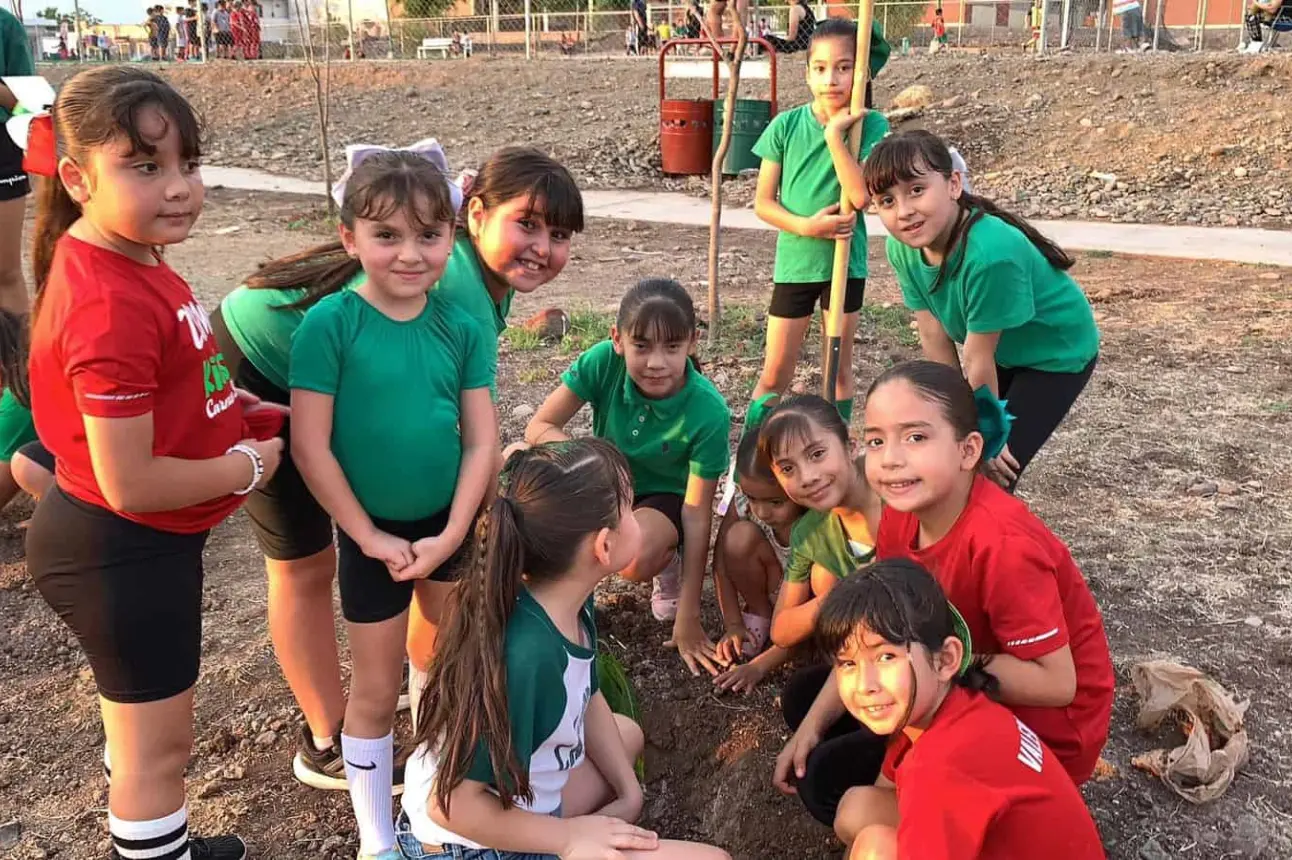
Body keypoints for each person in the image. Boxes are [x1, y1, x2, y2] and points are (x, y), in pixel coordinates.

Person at [213, 144, 582, 793]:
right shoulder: (453, 287)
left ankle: (414, 692)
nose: (542, 247)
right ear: (474, 215)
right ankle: (328, 739)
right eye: (527, 224)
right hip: (260, 361)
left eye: (559, 234)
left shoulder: (470, 281)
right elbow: (430, 440)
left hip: (308, 361)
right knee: (302, 562)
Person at [24, 66, 285, 860]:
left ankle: (151, 836)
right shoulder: (107, 300)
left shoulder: (131, 254)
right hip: (122, 547)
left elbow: (190, 389)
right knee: (158, 753)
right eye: (144, 167)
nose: (178, 188)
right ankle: (153, 848)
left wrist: (249, 414)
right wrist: (247, 466)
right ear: (76, 178)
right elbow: (129, 478)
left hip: (130, 545)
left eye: (188, 163)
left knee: (139, 732)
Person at [289, 150, 497, 860]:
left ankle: (435, 810)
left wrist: (452, 533)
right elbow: (311, 446)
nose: (411, 255)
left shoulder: (464, 329)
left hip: (447, 531)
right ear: (349, 239)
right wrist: (368, 535)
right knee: (376, 688)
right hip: (369, 534)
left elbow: (480, 443)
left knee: (443, 671)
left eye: (429, 236)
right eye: (387, 237)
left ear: (452, 236)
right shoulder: (329, 325)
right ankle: (376, 840)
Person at [400, 439, 731, 860]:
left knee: (625, 734)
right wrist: (571, 839)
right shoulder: (528, 656)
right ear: (604, 547)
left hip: (512, 804)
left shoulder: (566, 598)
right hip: (467, 842)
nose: (638, 519)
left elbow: (586, 695)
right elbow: (451, 805)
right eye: (629, 508)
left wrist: (629, 794)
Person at [861, 361, 1114, 785]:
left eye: (916, 437)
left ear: (969, 450)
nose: (890, 459)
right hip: (955, 681)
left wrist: (935, 666)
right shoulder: (901, 515)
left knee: (855, 800)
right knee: (816, 726)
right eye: (874, 440)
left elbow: (1058, 684)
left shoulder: (1002, 545)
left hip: (1045, 732)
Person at [816, 560, 1107, 860]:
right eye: (848, 663)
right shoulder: (943, 708)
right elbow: (885, 786)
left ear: (945, 659)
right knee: (856, 808)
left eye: (887, 656)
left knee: (875, 849)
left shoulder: (940, 766)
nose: (865, 685)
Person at [864, 130, 1100, 489]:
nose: (905, 211)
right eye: (886, 201)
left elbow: (976, 358)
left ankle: (993, 540)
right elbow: (933, 335)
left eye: (916, 190)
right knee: (954, 450)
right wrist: (950, 418)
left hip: (1056, 354)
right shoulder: (904, 249)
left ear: (953, 184)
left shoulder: (991, 254)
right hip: (1002, 353)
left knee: (991, 467)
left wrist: (984, 434)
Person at [524, 279, 731, 677]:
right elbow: (540, 426)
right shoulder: (603, 362)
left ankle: (664, 562)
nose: (656, 362)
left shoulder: (708, 411)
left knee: (633, 559)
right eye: (642, 346)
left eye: (671, 347)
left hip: (661, 500)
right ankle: (547, 598)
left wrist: (687, 616)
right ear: (617, 339)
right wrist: (592, 463)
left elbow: (697, 513)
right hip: (603, 482)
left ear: (692, 342)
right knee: (514, 460)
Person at [751, 19, 891, 427]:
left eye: (844, 67)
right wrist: (807, 227)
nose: (832, 78)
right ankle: (749, 461)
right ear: (807, 72)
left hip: (845, 266)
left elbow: (862, 196)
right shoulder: (786, 126)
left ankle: (836, 454)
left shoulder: (871, 125)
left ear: (860, 72)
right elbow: (763, 203)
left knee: (837, 371)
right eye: (821, 68)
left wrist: (834, 136)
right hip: (796, 262)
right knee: (775, 373)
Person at [710, 396, 806, 694]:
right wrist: (734, 623)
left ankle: (789, 643)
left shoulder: (816, 522)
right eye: (753, 498)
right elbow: (722, 566)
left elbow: (825, 601)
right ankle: (759, 613)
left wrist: (760, 666)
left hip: (806, 601)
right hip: (773, 585)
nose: (762, 511)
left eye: (776, 501)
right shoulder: (746, 505)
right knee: (737, 538)